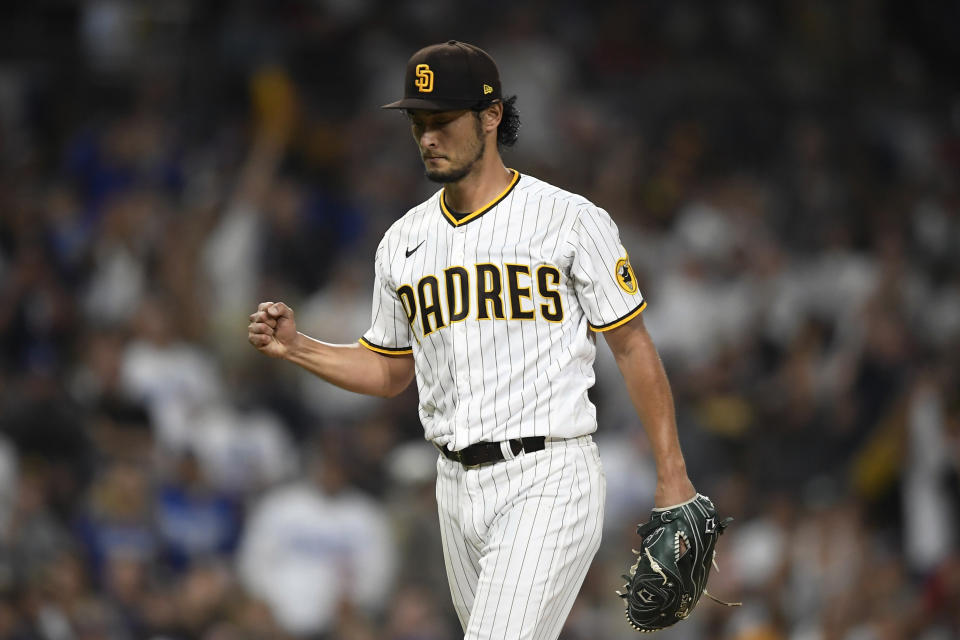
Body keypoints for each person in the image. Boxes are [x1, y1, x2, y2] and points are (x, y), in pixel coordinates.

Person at [248, 40, 698, 640]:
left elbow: (633, 345)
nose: (427, 136)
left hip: (548, 474)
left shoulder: (568, 218)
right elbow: (388, 371)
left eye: (442, 121)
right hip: (453, 487)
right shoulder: (402, 241)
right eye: (418, 122)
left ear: (490, 116)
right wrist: (298, 346)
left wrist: (672, 474)